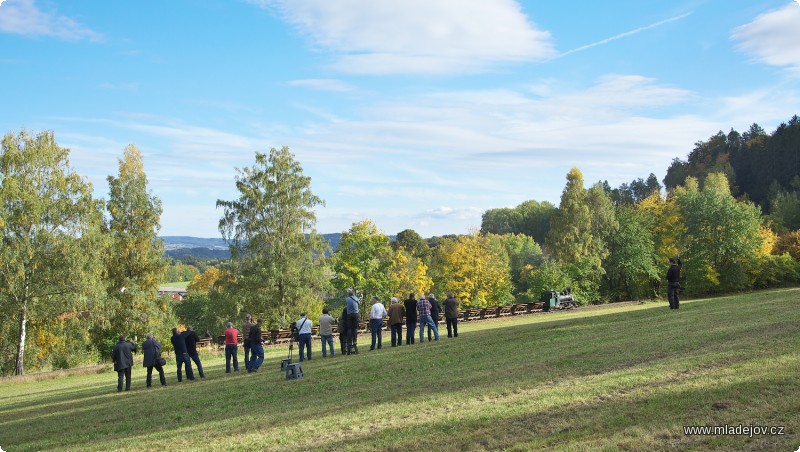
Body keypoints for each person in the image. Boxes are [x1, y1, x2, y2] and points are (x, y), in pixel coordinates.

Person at [345, 289, 360, 355]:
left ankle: (349, 340)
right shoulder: (356, 298)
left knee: (349, 328)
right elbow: (359, 303)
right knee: (355, 328)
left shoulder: (347, 299)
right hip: (356, 314)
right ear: (353, 294)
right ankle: (355, 340)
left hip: (349, 314)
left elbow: (346, 304)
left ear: (348, 294)